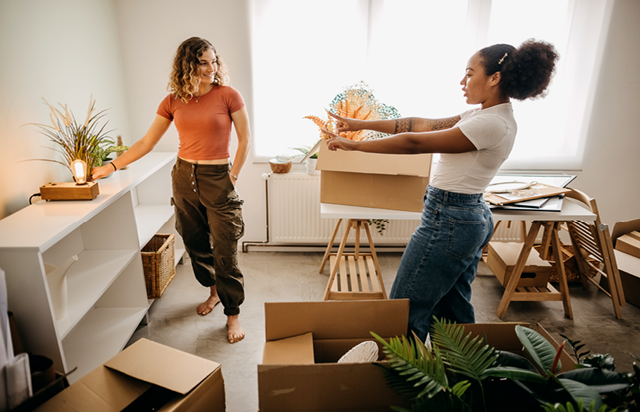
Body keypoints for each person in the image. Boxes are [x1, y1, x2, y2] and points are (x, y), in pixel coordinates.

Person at [322, 39, 558, 341]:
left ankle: (403, 383)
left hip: (451, 219)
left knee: (404, 309)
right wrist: (357, 123)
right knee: (452, 308)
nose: (463, 81)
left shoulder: (491, 123)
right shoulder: (484, 116)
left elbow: (415, 143)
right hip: (462, 216)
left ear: (494, 78)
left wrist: (356, 146)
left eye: (470, 73)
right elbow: (421, 125)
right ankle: (465, 376)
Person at [92, 37, 251, 344]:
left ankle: (233, 315)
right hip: (183, 177)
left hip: (217, 177)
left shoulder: (228, 95)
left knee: (226, 249)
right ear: (187, 65)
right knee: (194, 243)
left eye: (214, 60)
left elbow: (245, 139)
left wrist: (232, 175)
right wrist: (111, 167)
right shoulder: (173, 100)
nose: (211, 68)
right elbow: (145, 143)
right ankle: (214, 293)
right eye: (203, 62)